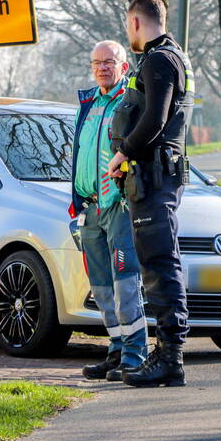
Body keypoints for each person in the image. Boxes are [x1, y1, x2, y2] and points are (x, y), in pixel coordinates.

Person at [106, 0, 194, 387]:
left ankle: (170, 359)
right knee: (158, 264)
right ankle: (165, 355)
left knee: (160, 265)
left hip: (155, 177)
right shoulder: (170, 56)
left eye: (129, 26)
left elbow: (155, 119)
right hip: (154, 177)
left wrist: (122, 152)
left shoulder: (159, 60)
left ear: (137, 23)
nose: (129, 34)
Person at [69, 40, 148, 381]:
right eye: (97, 62)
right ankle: (116, 351)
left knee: (126, 285)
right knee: (101, 287)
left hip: (117, 206)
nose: (102, 67)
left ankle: (135, 355)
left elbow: (141, 146)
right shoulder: (87, 104)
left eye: (109, 61)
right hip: (90, 210)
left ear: (123, 66)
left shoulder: (129, 103)